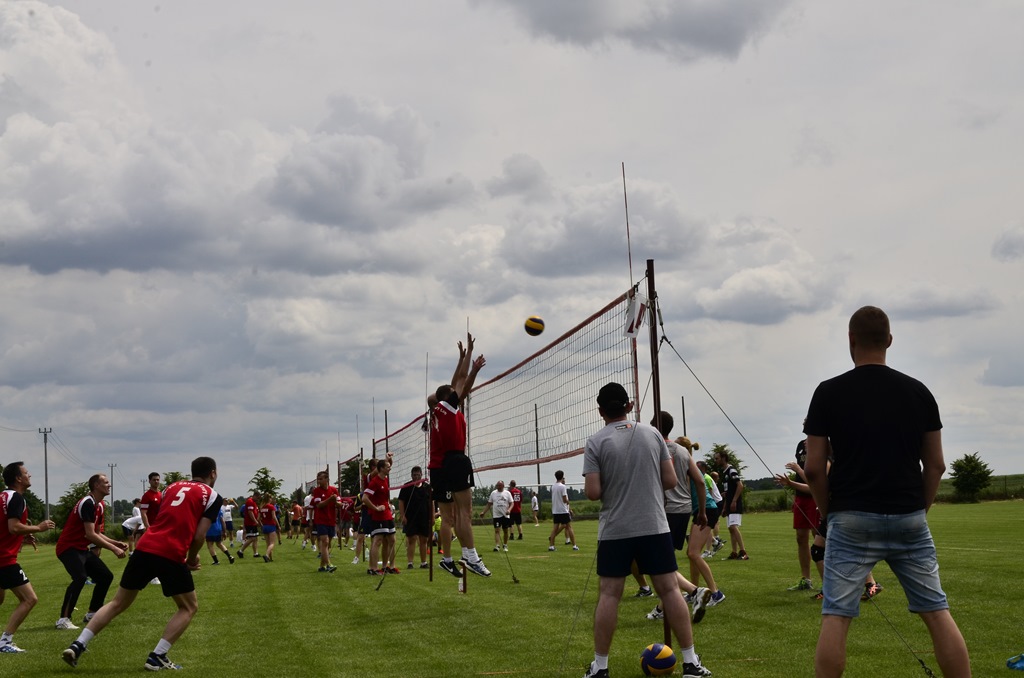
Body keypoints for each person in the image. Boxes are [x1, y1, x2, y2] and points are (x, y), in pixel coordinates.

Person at [803, 306, 970, 677]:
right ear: (889, 341)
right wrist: (919, 510)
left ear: (851, 340)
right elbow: (937, 465)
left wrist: (829, 513)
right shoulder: (919, 392)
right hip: (909, 516)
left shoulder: (828, 392)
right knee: (937, 612)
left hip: (850, 518)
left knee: (836, 616)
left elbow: (814, 467)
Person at [581, 383, 711, 678]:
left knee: (609, 595)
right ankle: (691, 662)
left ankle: (600, 667)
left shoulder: (596, 441)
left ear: (600, 410)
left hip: (616, 528)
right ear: (629, 405)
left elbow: (592, 492)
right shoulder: (652, 433)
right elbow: (668, 480)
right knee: (669, 589)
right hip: (653, 524)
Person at [62, 456, 224, 671]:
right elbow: (199, 536)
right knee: (188, 607)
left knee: (118, 602)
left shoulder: (170, 488)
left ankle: (78, 644)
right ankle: (158, 656)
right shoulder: (213, 496)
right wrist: (192, 558)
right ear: (213, 473)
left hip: (145, 546)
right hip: (170, 551)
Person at [429, 333, 491, 578]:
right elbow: (462, 383)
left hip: (437, 466)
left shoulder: (436, 411)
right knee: (464, 514)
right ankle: (470, 556)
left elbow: (459, 382)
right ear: (449, 397)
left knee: (448, 518)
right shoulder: (448, 406)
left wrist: (464, 359)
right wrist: (472, 363)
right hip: (454, 461)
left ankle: (447, 558)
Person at [55, 474, 128, 631]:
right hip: (68, 548)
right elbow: (90, 535)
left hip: (81, 549)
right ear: (96, 485)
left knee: (105, 576)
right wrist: (114, 549)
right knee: (80, 578)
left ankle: (92, 613)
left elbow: (96, 532)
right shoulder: (87, 503)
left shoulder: (99, 505)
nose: (109, 485)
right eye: (106, 482)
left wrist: (116, 543)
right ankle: (63, 619)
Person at [0, 462, 56, 653]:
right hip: (4, 559)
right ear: (18, 478)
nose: (29, 475)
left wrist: (23, 535)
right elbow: (13, 527)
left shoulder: (2, 496)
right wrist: (38, 528)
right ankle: (5, 642)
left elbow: (7, 528)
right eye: (26, 473)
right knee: (29, 599)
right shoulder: (16, 498)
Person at [777, 431, 820, 591]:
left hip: (815, 497)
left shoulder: (823, 446)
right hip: (801, 497)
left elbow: (816, 479)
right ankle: (806, 579)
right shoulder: (801, 446)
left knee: (820, 538)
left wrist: (797, 469)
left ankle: (829, 581)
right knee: (801, 538)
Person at [363, 458, 398, 574]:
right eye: (387, 467)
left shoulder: (385, 479)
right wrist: (376, 508)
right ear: (381, 469)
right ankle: (373, 568)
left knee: (392, 539)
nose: (390, 468)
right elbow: (365, 498)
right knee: (377, 540)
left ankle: (389, 566)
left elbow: (388, 466)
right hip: (378, 516)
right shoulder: (375, 481)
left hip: (387, 514)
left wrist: (389, 460)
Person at [715, 449, 747, 560]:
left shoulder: (731, 470)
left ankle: (743, 552)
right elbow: (728, 491)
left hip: (735, 504)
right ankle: (734, 553)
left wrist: (733, 501)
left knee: (733, 527)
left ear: (724, 458)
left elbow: (740, 485)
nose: (716, 461)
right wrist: (724, 507)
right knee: (730, 528)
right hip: (729, 504)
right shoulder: (724, 473)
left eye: (717, 458)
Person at [397, 467, 432, 569]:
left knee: (424, 540)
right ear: (411, 475)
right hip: (411, 517)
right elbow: (401, 502)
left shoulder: (427, 487)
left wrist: (432, 516)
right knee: (411, 539)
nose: (416, 477)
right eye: (414, 475)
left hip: (424, 517)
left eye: (418, 474)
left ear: (421, 474)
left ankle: (423, 562)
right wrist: (403, 516)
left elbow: (431, 502)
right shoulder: (406, 487)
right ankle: (410, 562)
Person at [310, 471, 339, 573]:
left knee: (328, 543)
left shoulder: (334, 490)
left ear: (327, 479)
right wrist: (330, 499)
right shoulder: (317, 491)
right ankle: (329, 564)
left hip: (331, 520)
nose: (319, 481)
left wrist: (336, 501)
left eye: (321, 479)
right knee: (325, 542)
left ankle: (322, 566)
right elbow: (319, 505)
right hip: (321, 520)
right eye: (318, 479)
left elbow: (339, 503)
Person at [547, 470, 578, 551]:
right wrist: (568, 501)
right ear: (562, 476)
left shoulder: (553, 486)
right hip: (563, 510)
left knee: (555, 528)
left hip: (555, 510)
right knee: (569, 527)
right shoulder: (563, 487)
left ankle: (551, 546)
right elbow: (564, 499)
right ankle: (574, 545)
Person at [480, 480, 513, 552]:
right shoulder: (493, 493)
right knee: (497, 530)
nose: (498, 487)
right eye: (497, 485)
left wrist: (509, 510)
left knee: (505, 531)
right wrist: (483, 512)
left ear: (503, 486)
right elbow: (489, 504)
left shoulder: (507, 493)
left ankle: (505, 545)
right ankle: (497, 546)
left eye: (499, 485)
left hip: (505, 515)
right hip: (496, 515)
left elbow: (511, 503)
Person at [236, 492, 261, 559]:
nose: (258, 500)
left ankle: (256, 553)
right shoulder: (250, 501)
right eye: (258, 498)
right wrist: (255, 521)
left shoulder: (254, 502)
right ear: (255, 496)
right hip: (250, 523)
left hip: (253, 523)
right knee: (252, 538)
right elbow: (250, 512)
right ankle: (241, 551)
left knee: (255, 538)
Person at [259, 495, 281, 562]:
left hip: (265, 526)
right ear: (269, 499)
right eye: (271, 498)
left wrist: (261, 525)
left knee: (268, 544)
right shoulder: (271, 507)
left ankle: (270, 558)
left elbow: (258, 518)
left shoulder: (262, 507)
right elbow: (274, 517)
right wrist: (278, 525)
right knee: (272, 543)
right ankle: (266, 555)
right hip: (271, 525)